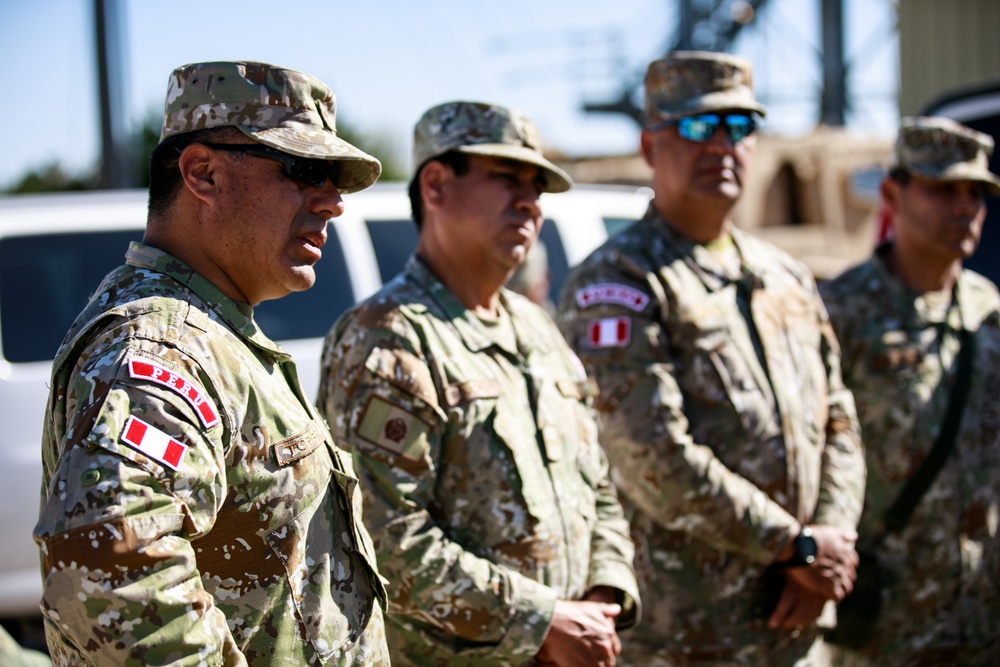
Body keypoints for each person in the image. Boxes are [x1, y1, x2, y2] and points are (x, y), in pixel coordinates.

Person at [33, 61, 389, 666]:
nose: (331, 203)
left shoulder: (214, 331)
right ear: (202, 173)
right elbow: (108, 578)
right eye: (304, 170)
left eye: (333, 181)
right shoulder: (158, 346)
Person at [556, 51, 866, 666]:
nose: (721, 145)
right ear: (650, 146)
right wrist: (798, 549)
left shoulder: (784, 275)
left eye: (740, 127)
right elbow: (652, 455)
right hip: (691, 636)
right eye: (698, 127)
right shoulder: (621, 281)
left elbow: (838, 417)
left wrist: (829, 545)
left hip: (797, 624)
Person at [317, 100, 640, 667]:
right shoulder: (388, 339)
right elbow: (383, 539)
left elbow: (599, 487)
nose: (529, 202)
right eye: (506, 177)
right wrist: (542, 621)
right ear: (437, 185)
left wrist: (605, 594)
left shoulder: (537, 328)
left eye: (537, 187)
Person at [821, 116, 1000, 665]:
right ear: (894, 193)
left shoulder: (988, 309)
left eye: (976, 193)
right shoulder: (842, 311)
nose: (964, 207)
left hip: (983, 617)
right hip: (887, 625)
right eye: (944, 189)